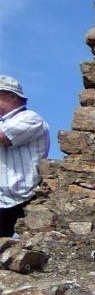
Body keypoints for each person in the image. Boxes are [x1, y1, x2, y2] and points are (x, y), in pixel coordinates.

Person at [0, 75, 50, 238]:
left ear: (12, 96)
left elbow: (4, 137)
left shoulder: (30, 118)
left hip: (25, 196)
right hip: (4, 199)